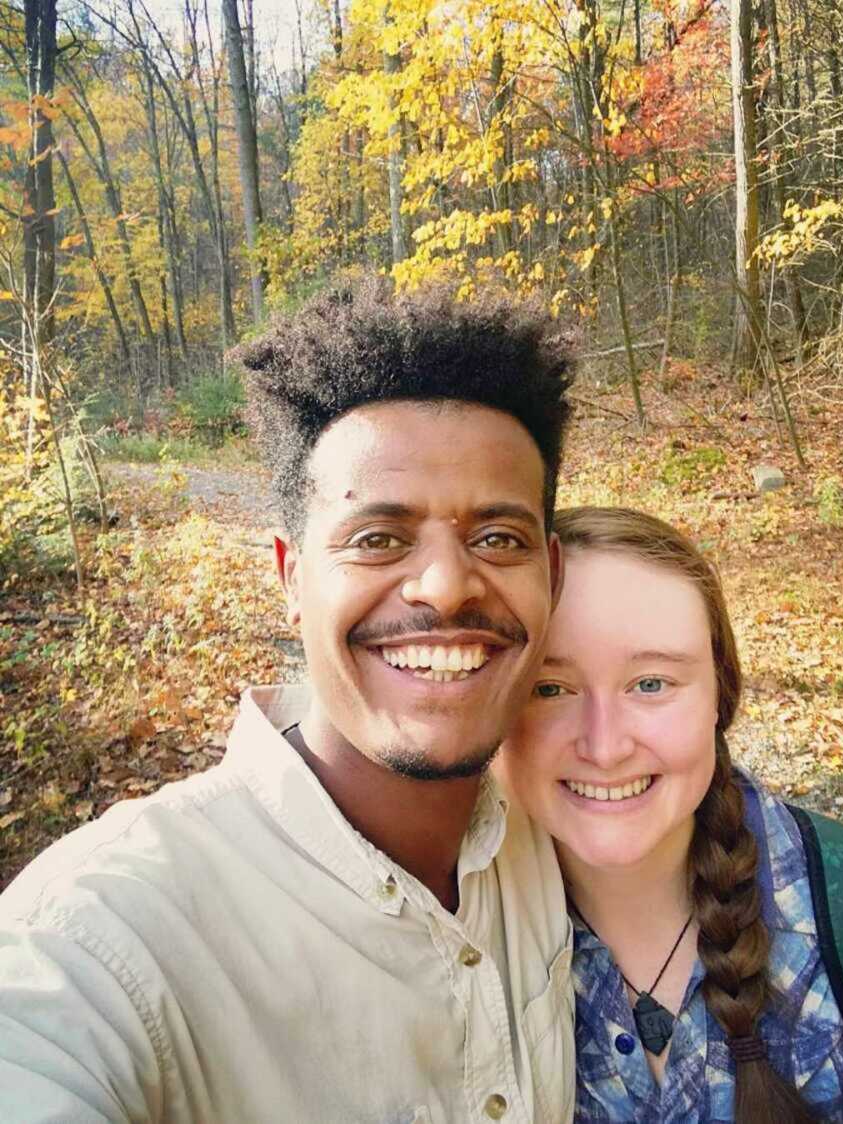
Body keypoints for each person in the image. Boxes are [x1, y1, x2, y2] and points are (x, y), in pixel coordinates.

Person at [0, 278, 576, 1123]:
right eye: (377, 538)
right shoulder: (108, 929)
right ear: (290, 577)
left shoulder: (556, 839)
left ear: (551, 576)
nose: (448, 585)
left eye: (498, 538)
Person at [496, 506, 843, 1124]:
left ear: (720, 695)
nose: (605, 747)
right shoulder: (458, 939)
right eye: (549, 689)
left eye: (651, 684)